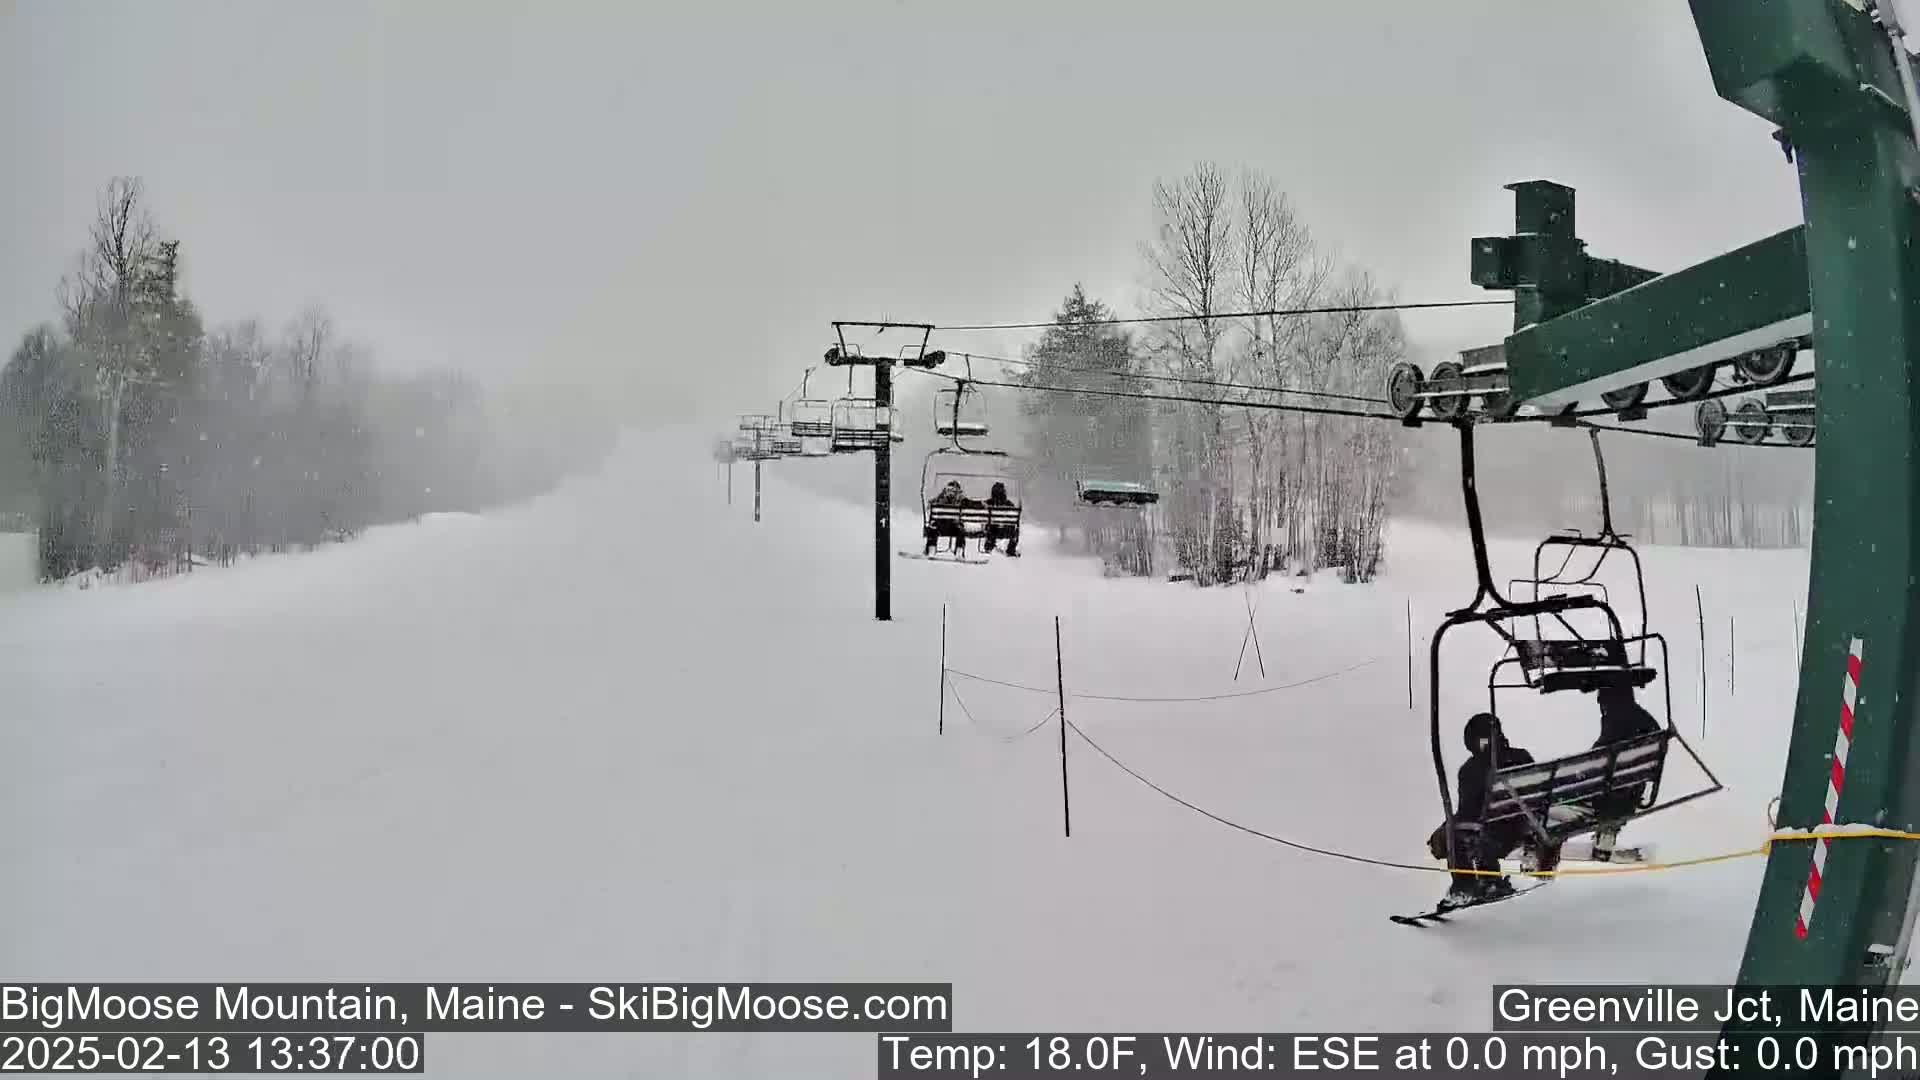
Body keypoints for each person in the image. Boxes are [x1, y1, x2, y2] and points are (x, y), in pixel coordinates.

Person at [1427, 713, 1536, 906]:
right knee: (1478, 827)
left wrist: (1444, 830)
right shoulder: (1522, 757)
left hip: (1495, 837)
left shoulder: (1472, 769)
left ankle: (1464, 887)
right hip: (1526, 827)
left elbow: (1468, 815)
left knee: (1456, 833)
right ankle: (1490, 881)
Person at [925, 481, 967, 555]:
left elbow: (930, 505)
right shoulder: (962, 499)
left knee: (933, 528)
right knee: (961, 530)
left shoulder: (940, 497)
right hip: (955, 528)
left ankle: (930, 550)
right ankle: (959, 552)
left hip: (940, 527)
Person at [983, 481, 1020, 556]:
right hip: (1007, 532)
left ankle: (989, 546)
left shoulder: (989, 503)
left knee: (990, 525)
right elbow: (1014, 520)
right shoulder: (1009, 504)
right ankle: (1011, 550)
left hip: (992, 531)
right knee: (1013, 528)